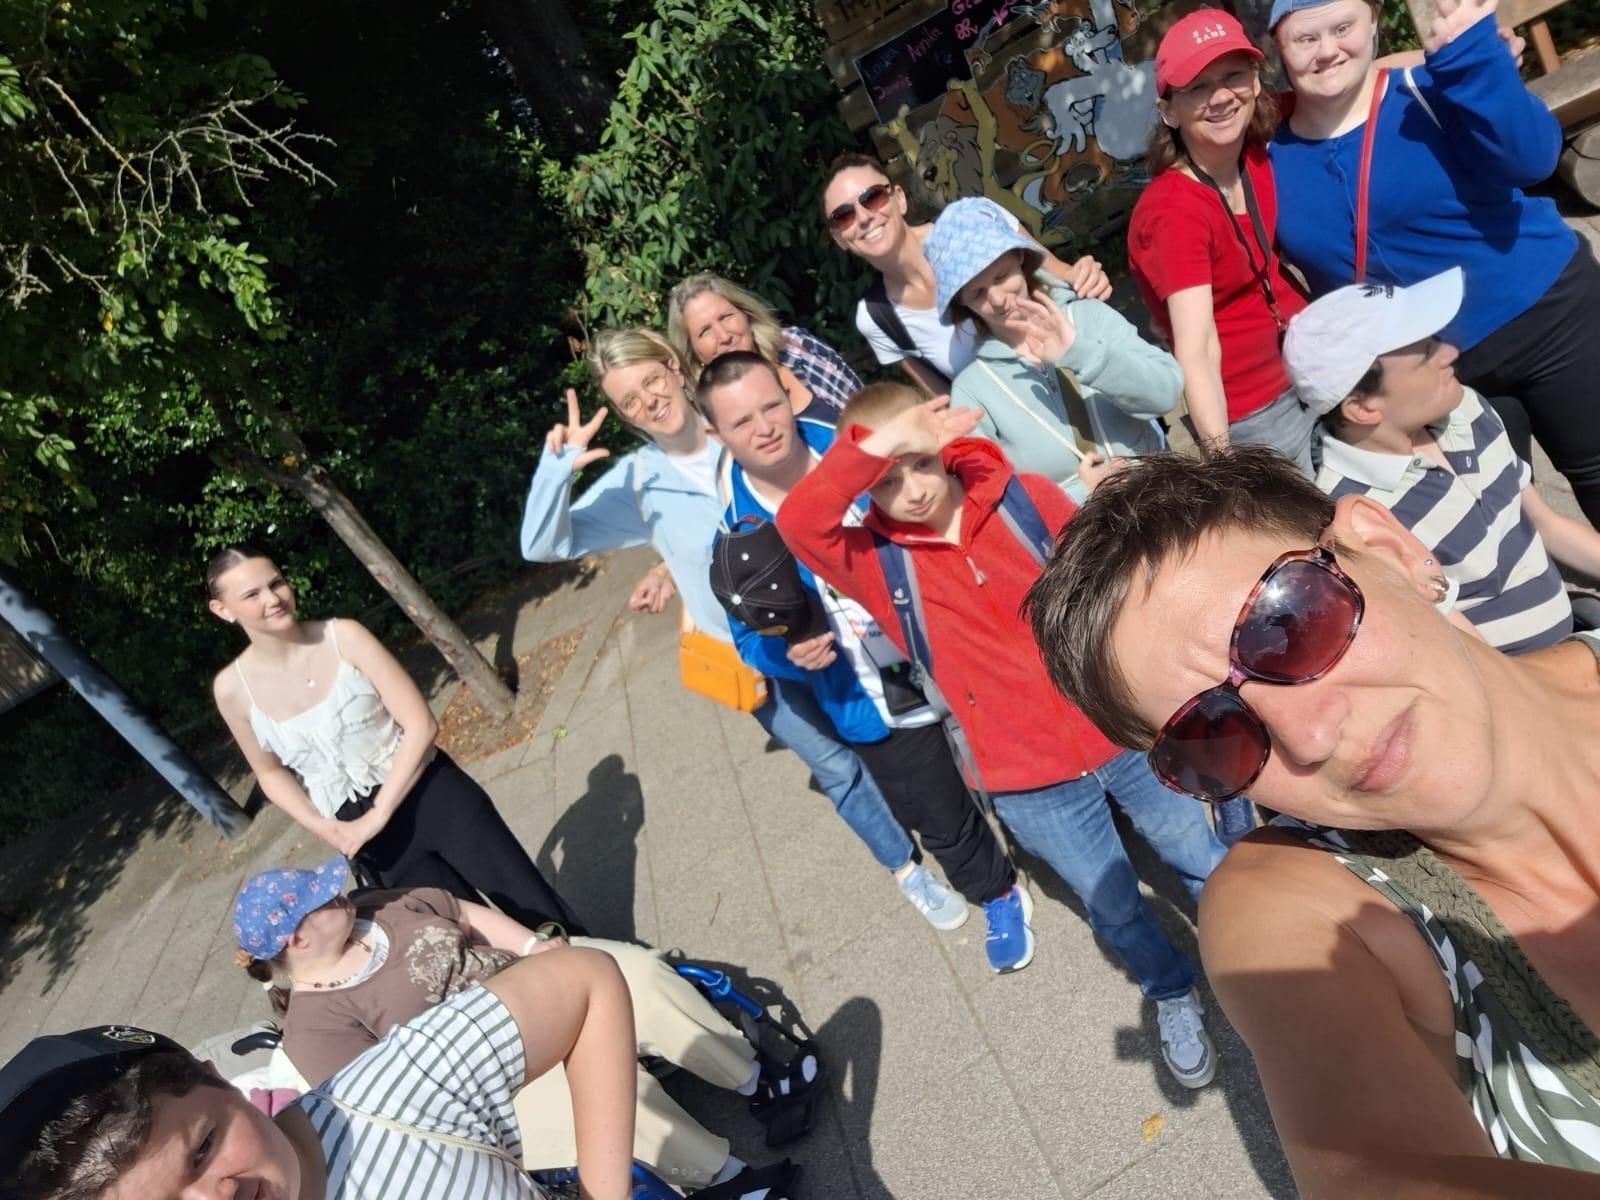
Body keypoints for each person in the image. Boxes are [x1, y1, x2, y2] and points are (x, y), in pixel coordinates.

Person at [1025, 444, 1600, 1191]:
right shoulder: (1304, 912)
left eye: (1291, 623)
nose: (1309, 736)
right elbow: (1372, 1176)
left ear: (1391, 549)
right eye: (1212, 736)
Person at [777, 384, 1228, 1089]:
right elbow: (800, 522)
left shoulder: (1027, 500)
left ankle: (1252, 960)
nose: (911, 490)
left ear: (944, 448)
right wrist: (882, 444)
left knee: (1200, 854)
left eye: (919, 464)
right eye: (886, 480)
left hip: (1121, 730)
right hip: (1029, 781)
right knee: (1113, 907)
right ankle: (1171, 990)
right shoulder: (875, 561)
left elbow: (1114, 597)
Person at [518, 328, 958, 928]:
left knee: (899, 726)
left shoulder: (743, 425)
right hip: (756, 655)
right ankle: (906, 869)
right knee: (836, 766)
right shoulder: (637, 483)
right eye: (629, 401)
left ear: (674, 367)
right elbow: (543, 545)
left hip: (842, 624)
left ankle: (956, 822)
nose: (649, 401)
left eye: (651, 380)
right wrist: (556, 470)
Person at [698, 351, 1031, 973]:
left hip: (955, 648)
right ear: (716, 434)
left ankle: (1050, 836)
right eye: (742, 422)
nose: (765, 427)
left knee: (1015, 757)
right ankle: (996, 894)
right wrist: (787, 652)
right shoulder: (737, 531)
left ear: (789, 394)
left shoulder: (857, 444)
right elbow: (747, 640)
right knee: (936, 813)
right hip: (866, 695)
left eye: (771, 406)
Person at [230, 858, 802, 1197]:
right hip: (496, 1078)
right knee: (587, 1102)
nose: (338, 893)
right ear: (297, 939)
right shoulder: (316, 1029)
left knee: (635, 975)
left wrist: (530, 946)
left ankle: (753, 1077)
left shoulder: (375, 906)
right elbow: (388, 1109)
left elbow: (459, 911)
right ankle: (723, 1175)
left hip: (528, 980)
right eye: (321, 900)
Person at [1269, 0, 1600, 525]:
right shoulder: (1265, 155)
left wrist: (1476, 59)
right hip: (1434, 371)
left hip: (1550, 314)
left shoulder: (1427, 86)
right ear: (1280, 50)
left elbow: (1534, 157)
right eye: (1306, 39)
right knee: (1501, 527)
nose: (1328, 50)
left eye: (1343, 27)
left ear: (1373, 22)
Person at [0, 952, 638, 1199]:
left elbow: (584, 981)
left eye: (203, 1148)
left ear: (216, 1076)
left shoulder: (394, 1092)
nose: (218, 1197)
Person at [207, 547, 581, 933]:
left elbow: (421, 724)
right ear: (222, 610)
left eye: (276, 583)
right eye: (252, 594)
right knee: (462, 940)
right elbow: (269, 773)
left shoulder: (344, 637)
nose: (273, 599)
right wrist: (325, 827)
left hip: (432, 794)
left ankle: (601, 966)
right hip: (365, 837)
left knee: (533, 908)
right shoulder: (231, 689)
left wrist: (378, 814)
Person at [1285, 267, 1600, 654]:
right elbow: (1453, 652)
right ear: (1363, 407)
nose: (1450, 352)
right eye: (1426, 354)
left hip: (1576, 641)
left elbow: (1545, 524)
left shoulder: (1467, 411)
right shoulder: (1356, 518)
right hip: (1525, 679)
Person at [1129, 10, 1316, 474]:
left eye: (1233, 75)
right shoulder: (1173, 211)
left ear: (1254, 80)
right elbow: (1197, 349)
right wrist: (1223, 465)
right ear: (1168, 111)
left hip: (1316, 367)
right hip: (1258, 413)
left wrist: (1448, 53)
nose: (1220, 97)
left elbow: (1344, 86)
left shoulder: (1252, 148)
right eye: (1197, 87)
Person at [924, 196, 1180, 503]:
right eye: (978, 293)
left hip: (1166, 499)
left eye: (1001, 276)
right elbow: (998, 500)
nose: (998, 299)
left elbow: (1167, 393)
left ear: (1020, 257)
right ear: (961, 302)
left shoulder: (1088, 317)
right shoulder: (973, 390)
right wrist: (1080, 493)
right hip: (1083, 530)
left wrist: (1079, 353)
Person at [819, 152, 1112, 394]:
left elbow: (1063, 276)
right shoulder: (877, 317)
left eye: (872, 197)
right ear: (838, 238)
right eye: (843, 216)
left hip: (1088, 382)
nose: (864, 217)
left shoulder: (977, 221)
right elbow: (949, 399)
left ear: (899, 198)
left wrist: (1086, 276)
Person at [666, 272, 861, 418]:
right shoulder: (716, 415)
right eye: (704, 331)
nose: (723, 336)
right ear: (693, 352)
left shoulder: (795, 346)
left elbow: (866, 407)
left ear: (746, 314)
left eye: (726, 317)